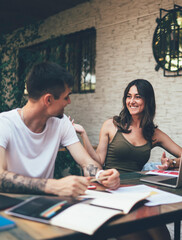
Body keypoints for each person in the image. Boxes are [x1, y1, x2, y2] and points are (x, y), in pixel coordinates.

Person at [72, 79, 182, 240]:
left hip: (138, 192)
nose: (131, 101)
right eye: (128, 96)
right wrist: (84, 135)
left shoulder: (153, 133)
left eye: (137, 97)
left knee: (162, 235)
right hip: (112, 190)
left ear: (147, 100)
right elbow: (98, 160)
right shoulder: (111, 125)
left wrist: (171, 162)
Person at [0, 61, 120, 198]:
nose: (69, 102)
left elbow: (87, 163)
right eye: (66, 97)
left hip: (44, 204)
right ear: (48, 100)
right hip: (7, 208)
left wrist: (101, 175)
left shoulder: (61, 123)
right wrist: (53, 186)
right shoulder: (4, 124)